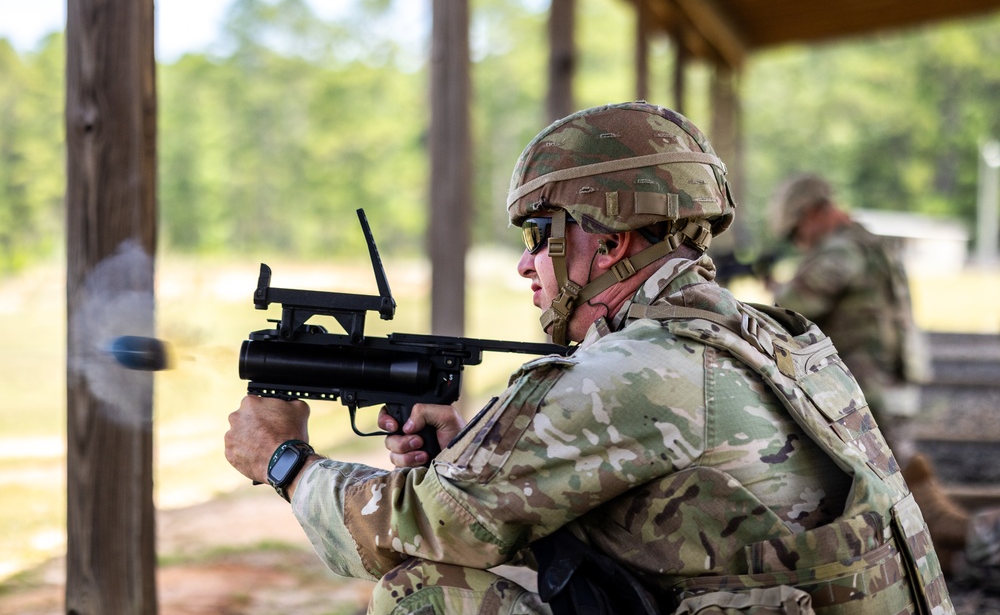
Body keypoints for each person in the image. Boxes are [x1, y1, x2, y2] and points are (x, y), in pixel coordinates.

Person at [226, 102, 954, 614]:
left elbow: (419, 528)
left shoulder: (639, 370)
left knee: (425, 595)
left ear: (609, 239)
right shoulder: (772, 334)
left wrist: (284, 459)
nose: (526, 265)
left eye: (538, 232)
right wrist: (472, 458)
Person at [768, 174, 973, 571]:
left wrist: (780, 288)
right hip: (892, 384)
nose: (800, 241)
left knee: (891, 489)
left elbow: (794, 305)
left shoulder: (841, 250)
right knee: (896, 476)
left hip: (865, 393)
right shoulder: (872, 243)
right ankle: (942, 554)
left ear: (813, 213)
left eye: (797, 231)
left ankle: (977, 540)